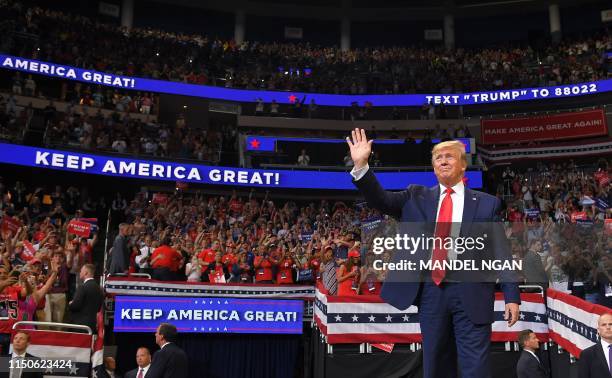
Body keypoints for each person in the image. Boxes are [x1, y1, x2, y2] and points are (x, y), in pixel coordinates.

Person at [347, 129, 520, 378]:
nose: (443, 161)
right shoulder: (416, 196)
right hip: (431, 291)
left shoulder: (486, 203)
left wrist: (512, 295)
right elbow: (382, 200)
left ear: (463, 166)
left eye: (449, 156)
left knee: (476, 367)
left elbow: (500, 252)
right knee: (436, 364)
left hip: (472, 290)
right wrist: (362, 166)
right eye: (438, 158)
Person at [68, 264, 103, 333]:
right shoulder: (99, 288)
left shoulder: (82, 287)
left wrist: (71, 303)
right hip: (92, 325)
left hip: (80, 326)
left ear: (86, 273)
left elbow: (75, 306)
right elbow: (98, 308)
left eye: (81, 271)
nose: (80, 273)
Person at [578, 313, 612, 377]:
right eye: (604, 325)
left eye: (611, 324)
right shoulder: (587, 354)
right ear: (598, 330)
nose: (608, 327)